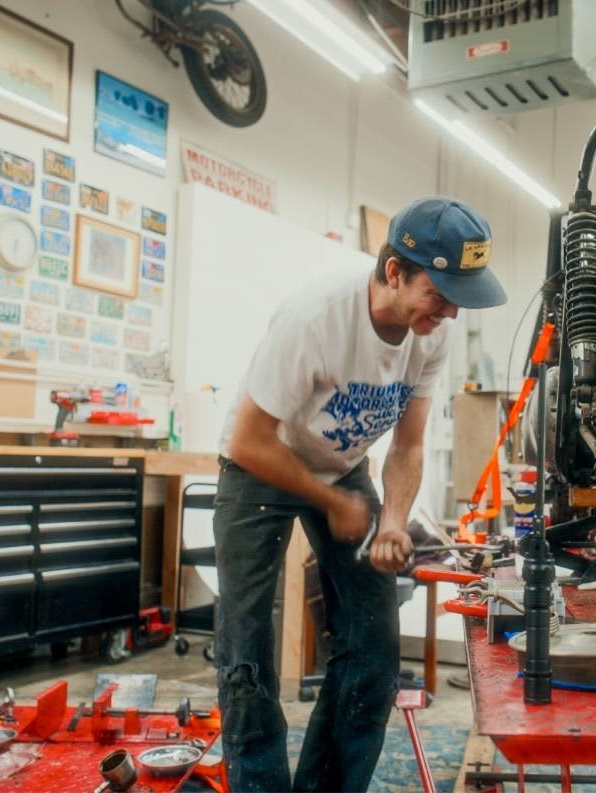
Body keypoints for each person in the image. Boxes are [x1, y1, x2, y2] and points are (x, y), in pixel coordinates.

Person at [213, 196, 508, 792]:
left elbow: (408, 444)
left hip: (344, 470)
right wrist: (331, 502)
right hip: (260, 470)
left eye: (459, 298)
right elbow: (249, 441)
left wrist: (394, 519)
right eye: (440, 292)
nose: (449, 312)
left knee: (373, 648)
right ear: (394, 270)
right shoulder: (313, 319)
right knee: (247, 655)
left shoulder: (429, 334)